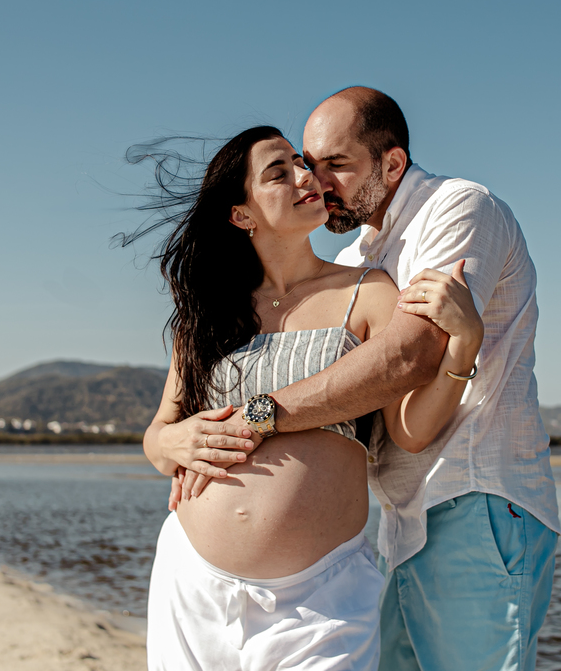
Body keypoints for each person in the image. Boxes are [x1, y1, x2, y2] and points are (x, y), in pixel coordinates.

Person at [188, 87, 561, 671]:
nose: (318, 180)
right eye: (311, 164)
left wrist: (258, 416)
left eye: (338, 164)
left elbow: (409, 353)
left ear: (392, 163)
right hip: (399, 522)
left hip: (472, 499)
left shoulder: (457, 208)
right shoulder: (365, 251)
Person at [139, 126, 486, 671]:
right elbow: (158, 441)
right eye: (279, 172)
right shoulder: (205, 319)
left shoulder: (367, 291)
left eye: (302, 164)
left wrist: (464, 345)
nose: (307, 177)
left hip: (322, 601)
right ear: (241, 215)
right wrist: (175, 439)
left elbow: (410, 430)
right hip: (193, 581)